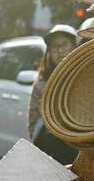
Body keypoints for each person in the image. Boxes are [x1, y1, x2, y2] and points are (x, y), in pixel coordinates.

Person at [28, 24, 79, 162]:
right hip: (51, 149)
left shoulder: (84, 77)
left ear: (74, 46)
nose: (60, 50)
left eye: (64, 44)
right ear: (49, 52)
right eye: (55, 46)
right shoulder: (41, 84)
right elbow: (33, 121)